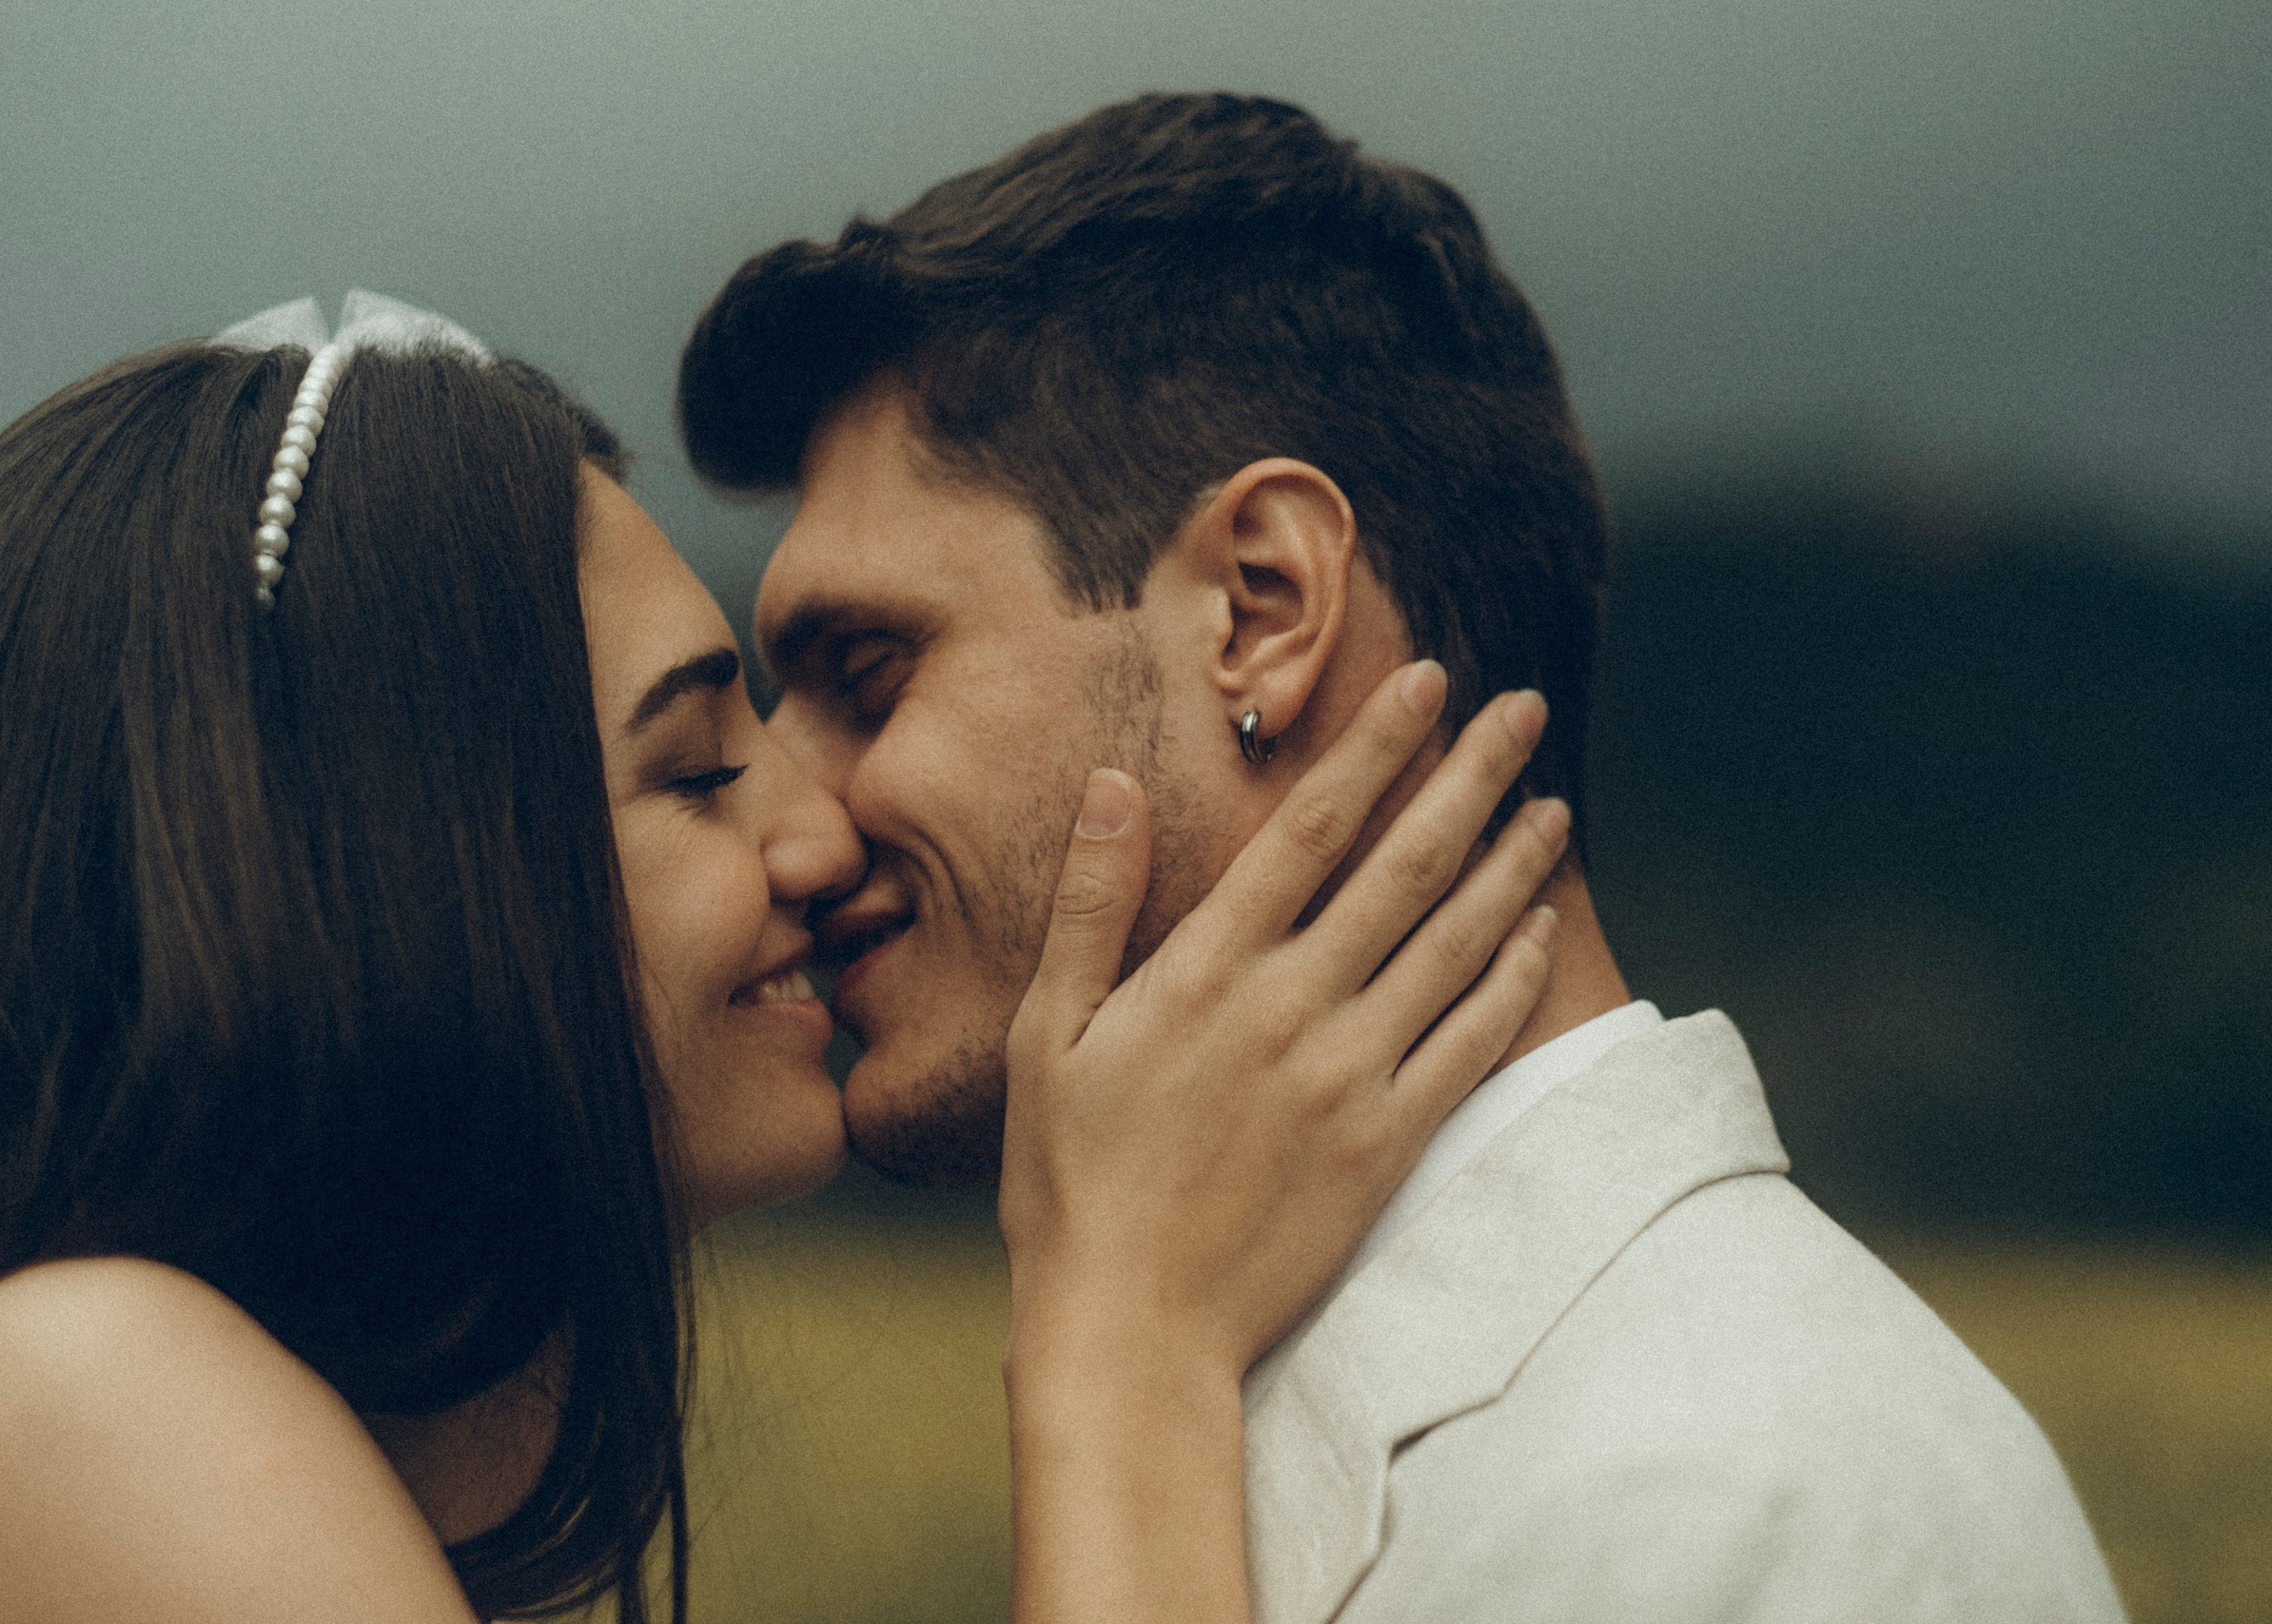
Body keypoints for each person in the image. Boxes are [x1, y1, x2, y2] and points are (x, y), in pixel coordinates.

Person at [679, 93, 2129, 1621]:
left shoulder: (1742, 1508)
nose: (798, 816)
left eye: (868, 669)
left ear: (1260, 605)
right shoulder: (1231, 1390)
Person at [0, 292, 1573, 1623]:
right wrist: (1127, 1336)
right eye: (692, 770)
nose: (815, 837)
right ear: (371, 868)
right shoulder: (76, 1388)